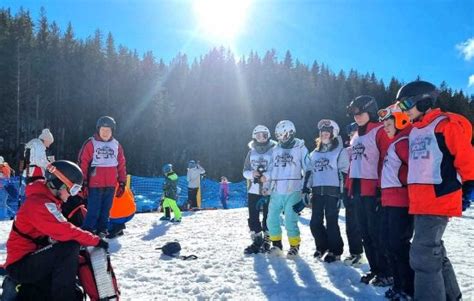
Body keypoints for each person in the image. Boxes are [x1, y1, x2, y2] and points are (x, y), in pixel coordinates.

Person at [396, 80, 474, 301]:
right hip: (420, 202)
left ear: (425, 102)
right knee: (432, 252)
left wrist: (469, 187)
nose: (404, 110)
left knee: (422, 255)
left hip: (439, 199)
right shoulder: (415, 131)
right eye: (401, 106)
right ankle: (452, 295)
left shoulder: (445, 125)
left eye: (407, 104)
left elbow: (467, 159)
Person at [3, 160, 108, 301]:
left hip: (31, 259)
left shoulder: (48, 201)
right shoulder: (38, 204)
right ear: (59, 183)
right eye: (73, 189)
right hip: (20, 266)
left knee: (71, 250)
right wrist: (95, 240)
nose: (72, 194)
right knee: (69, 247)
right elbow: (66, 230)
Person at [346, 95, 393, 286]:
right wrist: (348, 188)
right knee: (364, 232)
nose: (356, 117)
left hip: (373, 189)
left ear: (370, 111)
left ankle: (387, 272)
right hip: (357, 189)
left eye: (360, 112)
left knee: (376, 233)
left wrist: (382, 188)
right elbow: (353, 163)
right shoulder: (356, 135)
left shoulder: (379, 131)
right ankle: (375, 269)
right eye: (354, 114)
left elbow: (386, 161)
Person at [378, 104, 414, 300]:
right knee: (388, 243)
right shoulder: (397, 141)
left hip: (401, 202)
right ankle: (399, 285)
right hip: (389, 201)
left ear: (400, 121)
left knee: (398, 246)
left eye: (388, 124)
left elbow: (415, 169)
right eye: (384, 125)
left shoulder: (403, 141)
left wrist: (403, 181)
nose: (385, 128)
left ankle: (407, 288)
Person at [307, 119, 349, 263]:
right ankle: (322, 246)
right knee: (314, 222)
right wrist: (306, 189)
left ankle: (335, 250)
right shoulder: (314, 153)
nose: (324, 135)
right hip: (318, 192)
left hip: (333, 192)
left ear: (333, 134)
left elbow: (344, 173)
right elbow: (310, 172)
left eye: (327, 132)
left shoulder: (340, 151)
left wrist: (343, 194)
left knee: (332, 222)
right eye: (322, 133)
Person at [78, 116, 127, 236]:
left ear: (112, 131)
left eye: (108, 130)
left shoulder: (116, 145)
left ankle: (102, 231)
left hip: (110, 184)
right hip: (95, 184)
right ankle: (87, 232)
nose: (105, 133)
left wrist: (122, 182)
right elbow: (82, 163)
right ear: (98, 130)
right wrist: (82, 182)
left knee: (106, 211)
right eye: (103, 130)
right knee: (93, 211)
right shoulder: (91, 143)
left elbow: (121, 165)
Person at [267, 120, 309, 258]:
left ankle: (294, 246)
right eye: (279, 135)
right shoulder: (275, 149)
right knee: (271, 218)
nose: (282, 138)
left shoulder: (300, 147)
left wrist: (306, 188)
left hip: (293, 188)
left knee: (290, 219)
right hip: (277, 189)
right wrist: (266, 187)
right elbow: (271, 169)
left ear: (291, 133)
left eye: (284, 134)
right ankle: (276, 245)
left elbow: (308, 168)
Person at [242, 125, 276, 254]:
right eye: (258, 135)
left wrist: (266, 176)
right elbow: (245, 171)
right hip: (254, 189)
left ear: (268, 136)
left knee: (268, 216)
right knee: (253, 216)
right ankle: (257, 240)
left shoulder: (274, 150)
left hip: (268, 189)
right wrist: (252, 174)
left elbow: (277, 169)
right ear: (254, 137)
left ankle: (268, 240)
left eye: (264, 135)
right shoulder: (251, 152)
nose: (261, 138)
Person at [341, 122, 364, 267]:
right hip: (349, 189)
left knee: (367, 226)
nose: (352, 136)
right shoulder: (345, 151)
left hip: (364, 189)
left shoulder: (365, 146)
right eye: (350, 134)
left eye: (355, 133)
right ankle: (356, 253)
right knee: (351, 225)